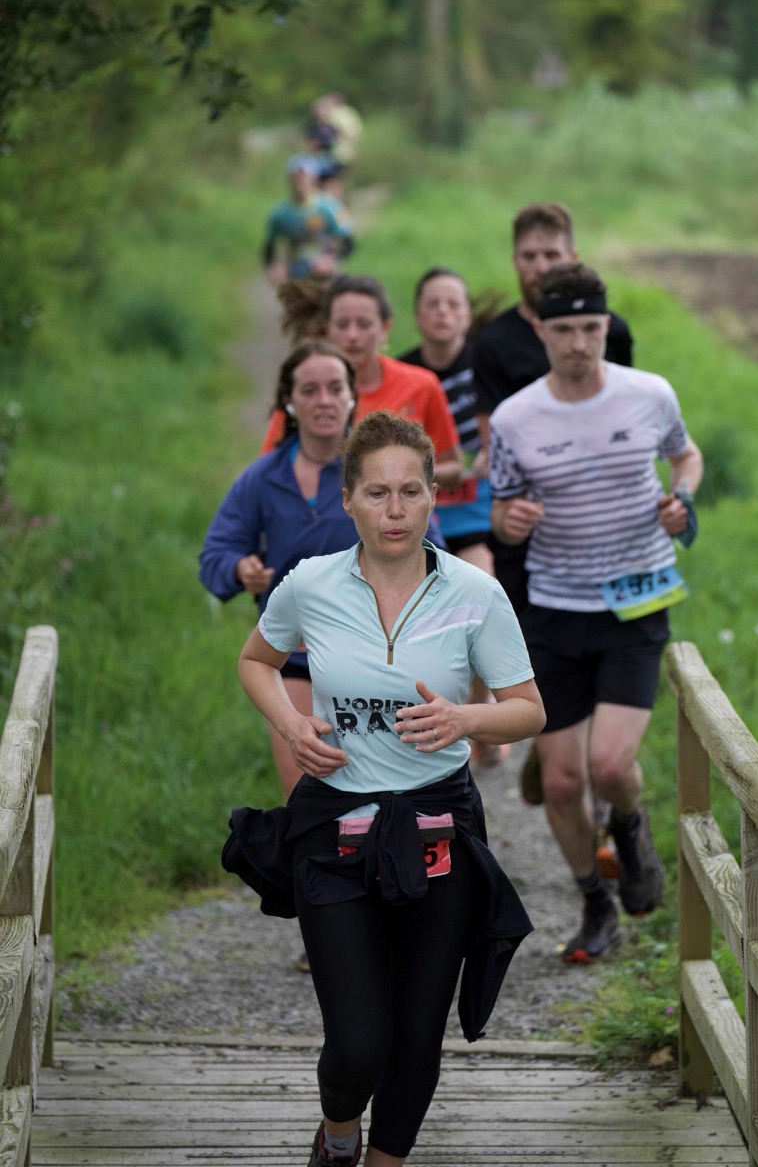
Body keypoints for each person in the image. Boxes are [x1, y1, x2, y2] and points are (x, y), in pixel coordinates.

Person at [224, 411, 545, 1166]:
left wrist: (465, 717)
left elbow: (529, 709)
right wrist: (292, 726)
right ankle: (338, 1135)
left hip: (438, 826)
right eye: (377, 493)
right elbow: (256, 661)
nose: (394, 510)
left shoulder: (475, 593)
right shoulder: (310, 583)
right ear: (348, 500)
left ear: (434, 496)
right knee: (358, 1044)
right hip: (335, 828)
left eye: (410, 492)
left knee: (414, 1035)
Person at [489, 262, 703, 965]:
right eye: (565, 330)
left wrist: (681, 499)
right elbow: (502, 508)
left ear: (606, 326)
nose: (579, 343)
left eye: (591, 328)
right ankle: (594, 902)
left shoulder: (649, 394)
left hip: (635, 601)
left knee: (610, 766)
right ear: (541, 331)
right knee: (560, 780)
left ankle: (630, 827)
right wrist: (511, 521)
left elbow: (686, 457)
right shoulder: (514, 419)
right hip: (555, 609)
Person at [199, 342, 447, 799]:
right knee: (308, 792)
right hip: (297, 656)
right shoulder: (262, 479)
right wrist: (238, 569)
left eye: (335, 388)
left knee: (391, 794)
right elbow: (215, 554)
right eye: (310, 390)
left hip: (381, 652)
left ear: (352, 396)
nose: (324, 400)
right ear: (289, 401)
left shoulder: (381, 471)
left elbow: (434, 550)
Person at [471, 202, 633, 618]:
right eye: (529, 256)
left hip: (606, 516)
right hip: (529, 521)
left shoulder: (613, 331)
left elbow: (625, 416)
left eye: (551, 255)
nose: (540, 267)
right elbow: (494, 445)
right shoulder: (493, 344)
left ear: (572, 258)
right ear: (515, 260)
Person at [399, 267, 506, 766]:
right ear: (417, 314)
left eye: (453, 304)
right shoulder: (402, 373)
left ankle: (481, 716)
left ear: (466, 315)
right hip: (415, 517)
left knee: (481, 598)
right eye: (433, 304)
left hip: (474, 511)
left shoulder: (488, 366)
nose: (442, 313)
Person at [260, 275, 464, 493]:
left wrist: (406, 474)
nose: (353, 335)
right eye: (342, 325)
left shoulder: (422, 385)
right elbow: (267, 473)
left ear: (385, 328)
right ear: (327, 329)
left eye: (364, 324)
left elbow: (454, 469)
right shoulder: (307, 391)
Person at [262, 155, 355, 288]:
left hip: (324, 275)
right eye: (297, 177)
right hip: (294, 273)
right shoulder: (280, 213)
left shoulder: (330, 207)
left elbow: (349, 241)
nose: (301, 181)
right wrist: (273, 266)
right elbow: (269, 245)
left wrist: (332, 259)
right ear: (290, 179)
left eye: (305, 177)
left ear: (314, 179)